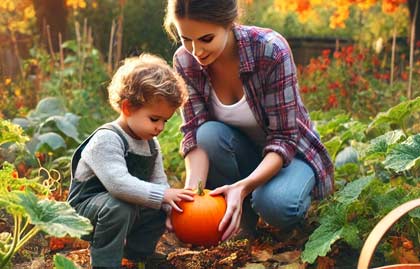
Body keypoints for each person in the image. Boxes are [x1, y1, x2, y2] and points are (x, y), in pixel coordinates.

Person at [164, 0, 334, 242]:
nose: (196, 51)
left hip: (289, 156)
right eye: (186, 39)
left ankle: (291, 198)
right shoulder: (185, 60)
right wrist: (191, 193)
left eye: (206, 39)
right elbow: (194, 132)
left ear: (228, 24)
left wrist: (243, 187)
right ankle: (243, 217)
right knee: (207, 134)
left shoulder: (270, 50)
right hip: (241, 153)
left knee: (276, 205)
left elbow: (284, 139)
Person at [67, 53, 195, 269]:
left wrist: (168, 203)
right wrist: (162, 194)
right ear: (127, 108)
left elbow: (158, 181)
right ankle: (106, 263)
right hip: (87, 211)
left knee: (158, 206)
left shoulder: (151, 144)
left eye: (165, 120)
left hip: (124, 207)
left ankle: (137, 255)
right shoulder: (107, 138)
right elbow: (118, 185)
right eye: (154, 119)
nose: (160, 127)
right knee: (120, 206)